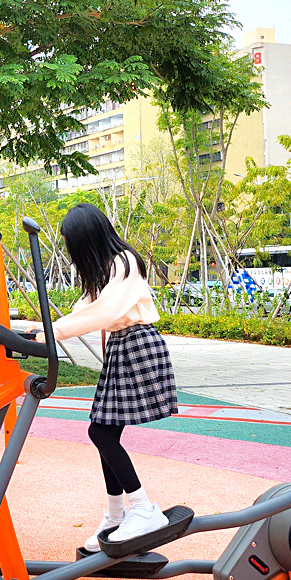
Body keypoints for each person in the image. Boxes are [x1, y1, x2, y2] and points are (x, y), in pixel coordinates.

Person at [39, 203, 177, 551]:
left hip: (137, 344)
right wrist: (41, 330)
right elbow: (85, 308)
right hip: (123, 345)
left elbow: (107, 310)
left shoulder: (124, 262)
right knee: (102, 429)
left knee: (100, 431)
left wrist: (54, 331)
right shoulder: (108, 268)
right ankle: (117, 515)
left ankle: (144, 510)